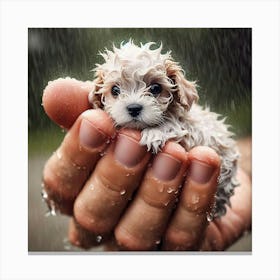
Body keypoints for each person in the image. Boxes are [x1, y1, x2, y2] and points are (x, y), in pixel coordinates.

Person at [42, 78, 252, 251]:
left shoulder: (179, 122)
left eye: (154, 89)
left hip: (215, 193)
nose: (134, 102)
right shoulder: (103, 118)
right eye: (116, 90)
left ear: (179, 91)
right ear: (98, 95)